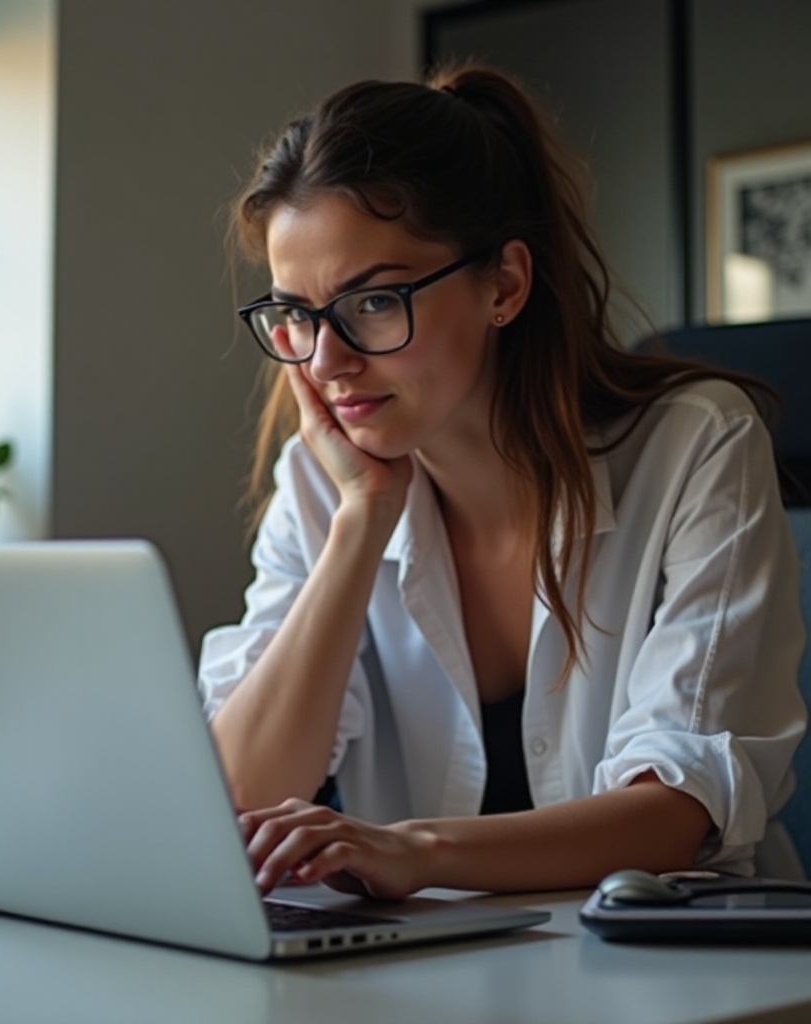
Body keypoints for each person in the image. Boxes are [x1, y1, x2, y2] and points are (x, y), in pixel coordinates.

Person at [198, 62, 807, 900]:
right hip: (435, 978)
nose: (327, 360)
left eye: (374, 302)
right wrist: (363, 520)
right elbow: (240, 800)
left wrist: (416, 851)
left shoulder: (696, 444)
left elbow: (678, 809)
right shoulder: (324, 477)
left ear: (505, 285)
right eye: (296, 315)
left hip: (676, 972)